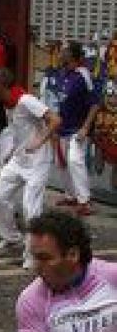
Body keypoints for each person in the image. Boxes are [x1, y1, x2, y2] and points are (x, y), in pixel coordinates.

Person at [0, 68, 61, 265]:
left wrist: (40, 142)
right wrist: (9, 152)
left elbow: (56, 120)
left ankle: (33, 254)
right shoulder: (8, 104)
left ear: (2, 86)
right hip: (19, 159)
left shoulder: (26, 100)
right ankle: (12, 238)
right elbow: (19, 130)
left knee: (31, 208)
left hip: (38, 161)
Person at [55, 42, 101, 216]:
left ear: (72, 55)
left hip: (78, 128)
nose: (60, 53)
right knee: (61, 163)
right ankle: (70, 195)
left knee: (75, 161)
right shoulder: (62, 73)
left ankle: (85, 201)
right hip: (62, 127)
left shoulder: (83, 75)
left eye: (63, 50)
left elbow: (95, 104)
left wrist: (85, 128)